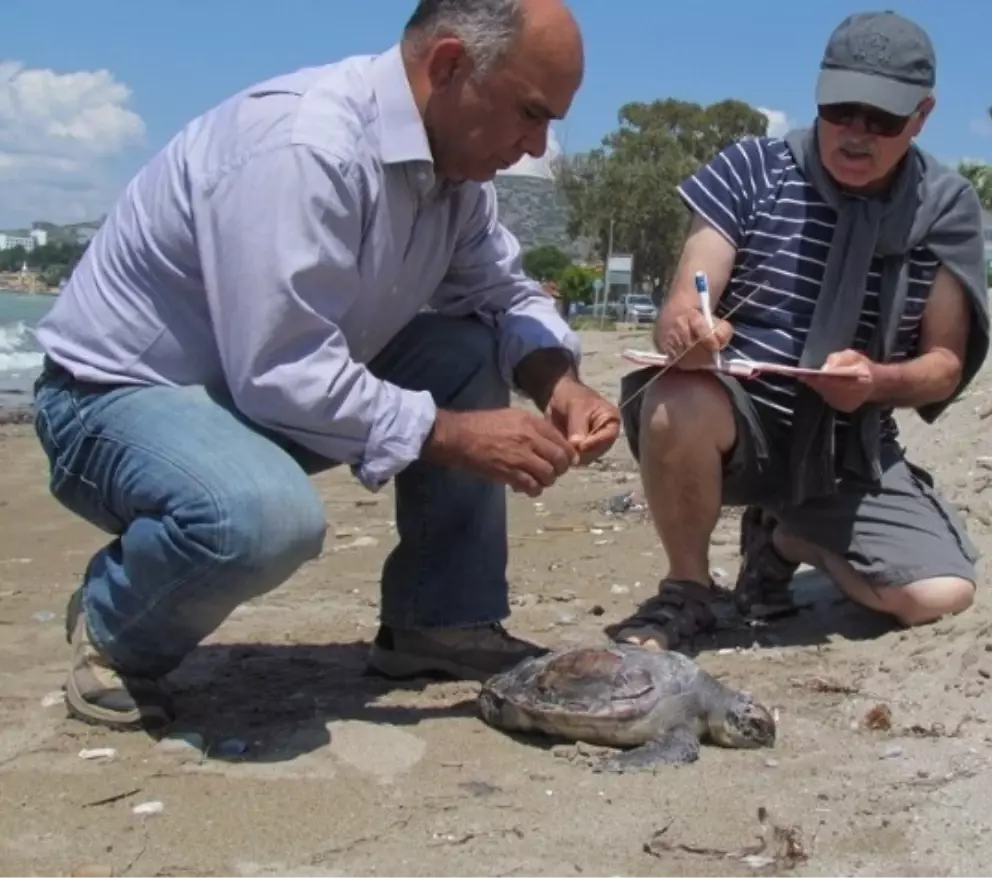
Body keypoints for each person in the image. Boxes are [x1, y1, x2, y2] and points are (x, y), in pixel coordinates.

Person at [31, 0, 620, 731]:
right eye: (530, 113)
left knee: (466, 347)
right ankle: (116, 626)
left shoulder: (455, 178)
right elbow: (281, 369)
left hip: (250, 396)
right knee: (262, 519)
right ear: (447, 65)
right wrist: (460, 436)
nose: (536, 146)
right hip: (111, 403)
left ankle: (439, 622)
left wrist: (557, 381)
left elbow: (501, 293)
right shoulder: (305, 147)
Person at [606, 10, 991, 651]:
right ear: (819, 92)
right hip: (742, 423)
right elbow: (680, 309)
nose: (856, 134)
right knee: (674, 397)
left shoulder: (944, 208)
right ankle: (689, 591)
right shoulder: (750, 169)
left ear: (922, 116)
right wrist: (690, 335)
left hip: (852, 449)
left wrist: (875, 382)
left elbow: (943, 365)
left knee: (938, 595)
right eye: (841, 109)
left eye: (884, 120)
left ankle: (788, 536)